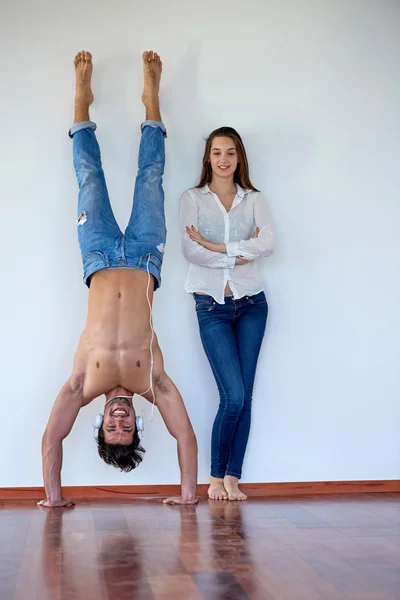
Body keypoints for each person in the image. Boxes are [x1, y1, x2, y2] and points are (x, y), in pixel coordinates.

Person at [38, 50, 198, 508]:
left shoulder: (82, 384)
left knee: (89, 176)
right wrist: (188, 497)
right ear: (137, 425)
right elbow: (184, 434)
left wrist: (54, 498)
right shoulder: (154, 380)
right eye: (128, 429)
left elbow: (52, 437)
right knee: (151, 177)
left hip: (99, 256)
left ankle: (81, 104)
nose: (121, 422)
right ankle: (152, 103)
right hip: (147, 257)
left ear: (101, 423)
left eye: (113, 428)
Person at [180, 127, 275, 500]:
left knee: (245, 395)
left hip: (252, 302)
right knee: (232, 395)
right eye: (217, 152)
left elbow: (268, 242)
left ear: (239, 158)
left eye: (230, 153)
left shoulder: (254, 199)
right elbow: (191, 251)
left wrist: (218, 245)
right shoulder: (192, 198)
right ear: (208, 157)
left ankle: (233, 477)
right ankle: (215, 475)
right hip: (210, 305)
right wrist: (241, 249)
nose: (223, 159)